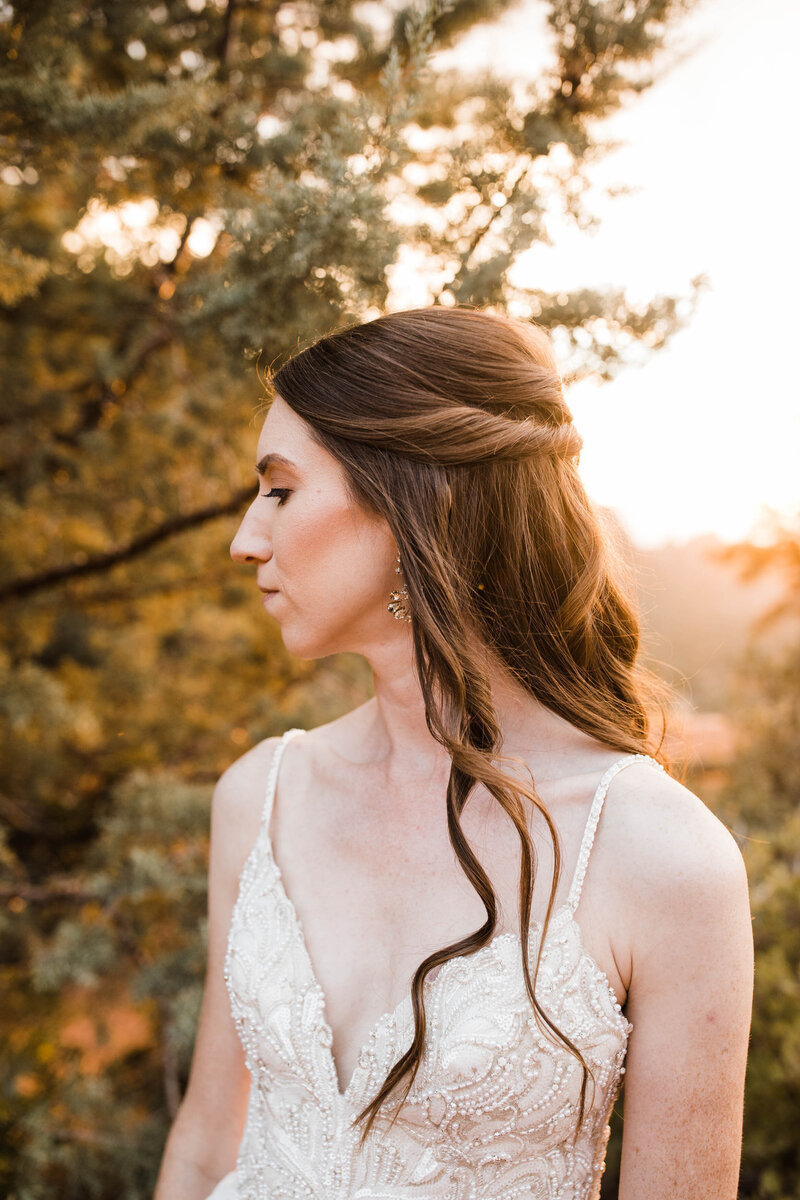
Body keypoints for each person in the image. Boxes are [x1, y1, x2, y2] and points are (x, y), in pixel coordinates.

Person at [153, 306, 753, 1200]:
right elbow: (208, 1142)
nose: (247, 538)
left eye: (280, 489)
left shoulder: (665, 860)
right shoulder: (260, 797)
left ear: (412, 502)